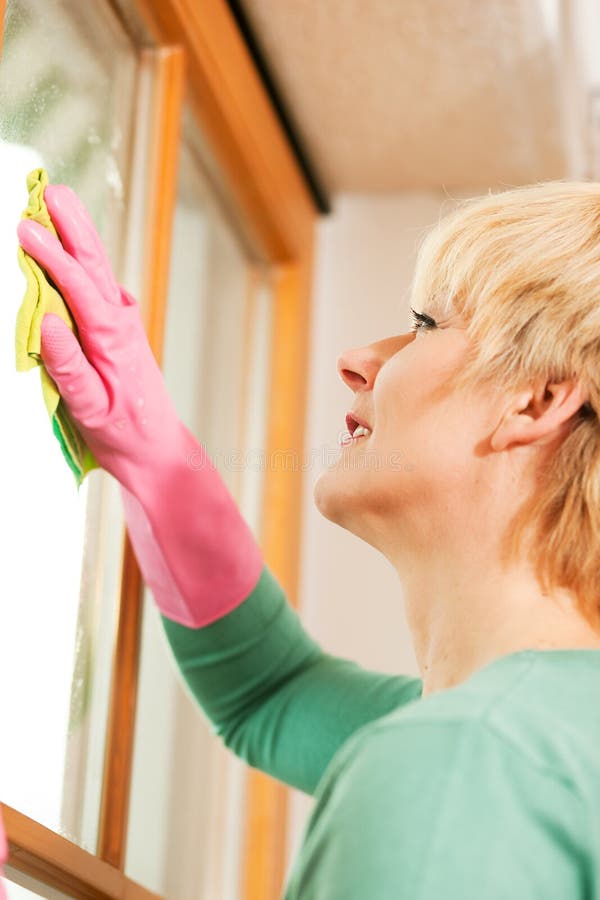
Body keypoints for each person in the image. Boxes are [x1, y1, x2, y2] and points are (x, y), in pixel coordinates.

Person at [16, 180, 600, 899]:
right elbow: (269, 694)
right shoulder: (546, 735)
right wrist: (152, 449)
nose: (356, 360)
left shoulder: (465, 762)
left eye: (424, 324)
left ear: (537, 400)